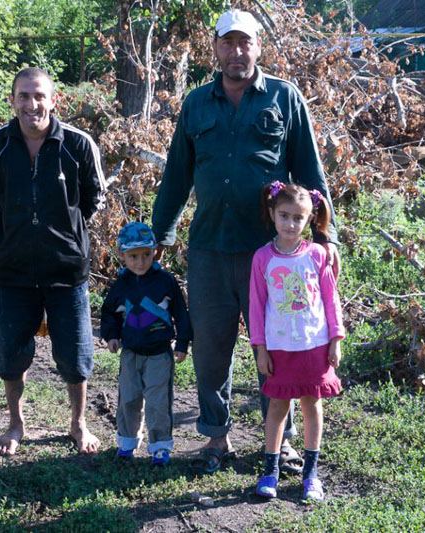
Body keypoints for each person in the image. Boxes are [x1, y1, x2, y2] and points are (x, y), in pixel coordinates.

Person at [151, 8, 339, 473]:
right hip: (210, 249)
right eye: (228, 43)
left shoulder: (284, 97)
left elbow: (310, 173)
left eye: (246, 43)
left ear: (259, 47)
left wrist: (326, 234)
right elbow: (177, 175)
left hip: (273, 255)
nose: (237, 52)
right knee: (212, 347)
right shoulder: (196, 103)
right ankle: (217, 438)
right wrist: (160, 233)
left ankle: (283, 441)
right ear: (214, 48)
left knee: (280, 346)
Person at [0, 67, 106, 455]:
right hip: (13, 269)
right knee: (11, 354)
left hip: (65, 268)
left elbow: (93, 200)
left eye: (39, 96)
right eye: (23, 96)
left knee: (75, 354)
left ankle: (78, 425)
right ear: (12, 100)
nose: (32, 104)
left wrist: (60, 233)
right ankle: (16, 424)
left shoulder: (78, 145)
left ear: (53, 100)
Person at [249, 182, 345, 502]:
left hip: (314, 345)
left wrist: (335, 338)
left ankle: (311, 473)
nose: (290, 224)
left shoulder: (317, 255)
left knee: (311, 405)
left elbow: (331, 300)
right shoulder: (262, 258)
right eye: (284, 216)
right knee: (277, 406)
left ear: (309, 220)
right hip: (279, 349)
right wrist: (260, 348)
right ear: (273, 214)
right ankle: (270, 471)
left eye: (298, 218)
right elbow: (256, 307)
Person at [100, 222, 192, 466]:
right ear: (122, 255)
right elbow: (109, 312)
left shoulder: (165, 281)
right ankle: (127, 443)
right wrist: (111, 335)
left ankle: (160, 447)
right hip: (130, 353)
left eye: (146, 255)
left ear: (155, 252)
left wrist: (182, 342)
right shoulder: (121, 285)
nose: (140, 262)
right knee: (128, 399)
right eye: (133, 256)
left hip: (159, 354)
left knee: (158, 402)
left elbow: (181, 313)